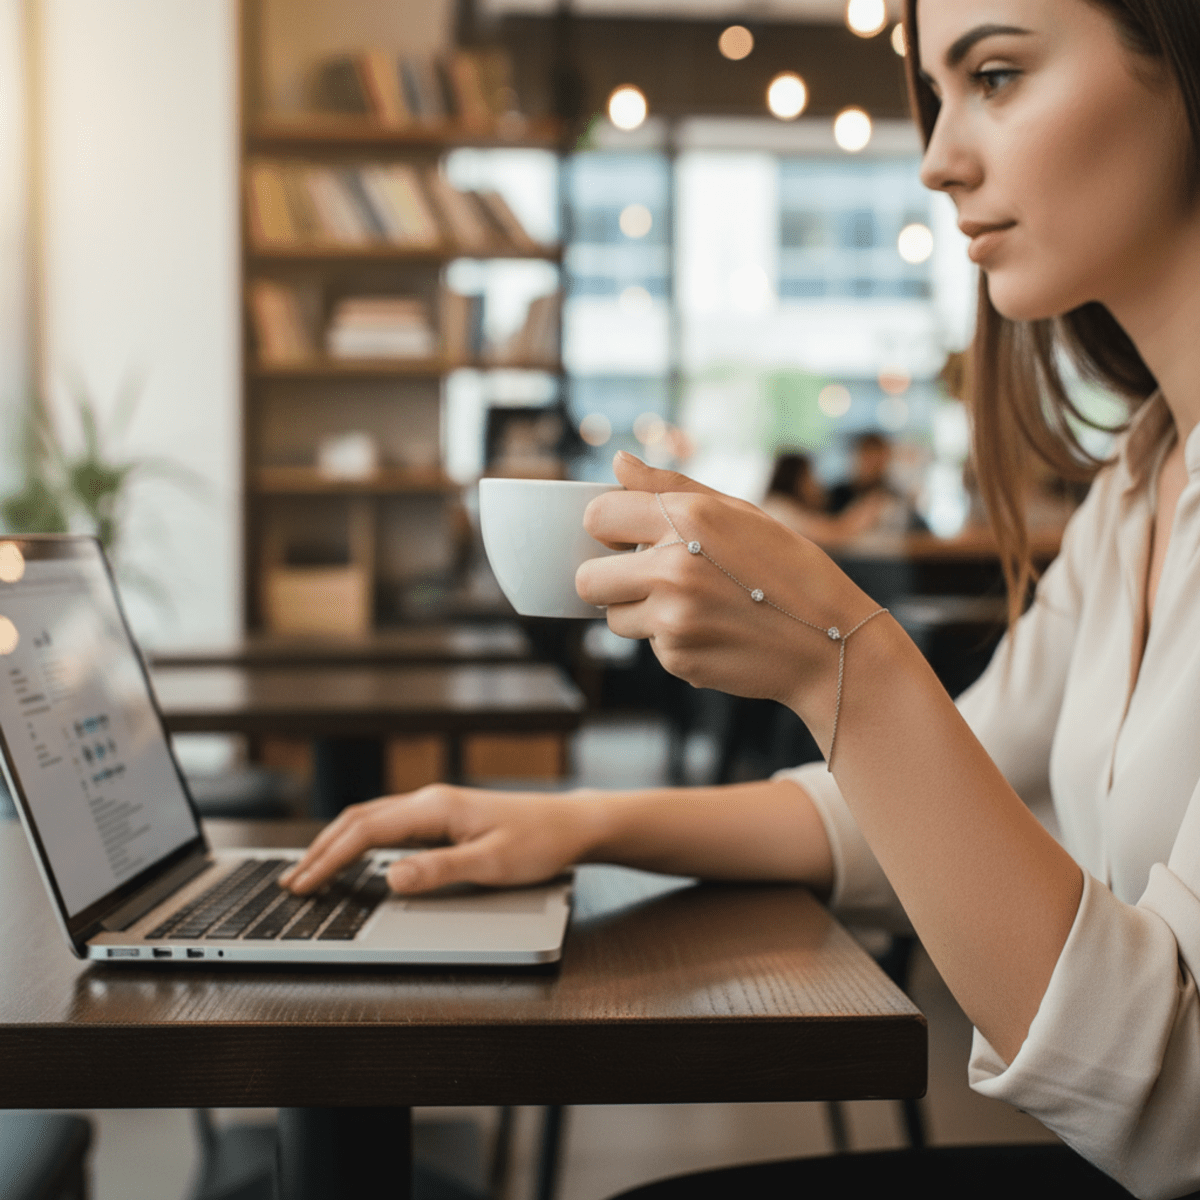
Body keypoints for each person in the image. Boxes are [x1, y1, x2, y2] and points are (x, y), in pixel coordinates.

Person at [282, 1, 1200, 1195]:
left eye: (996, 74)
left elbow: (1173, 1101)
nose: (936, 159)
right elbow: (910, 810)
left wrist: (842, 662)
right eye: (937, 93)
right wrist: (582, 825)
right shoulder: (1141, 482)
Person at [760, 450, 889, 546]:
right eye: (810, 477)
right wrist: (866, 510)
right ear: (796, 480)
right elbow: (835, 534)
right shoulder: (781, 511)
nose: (816, 484)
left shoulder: (776, 506)